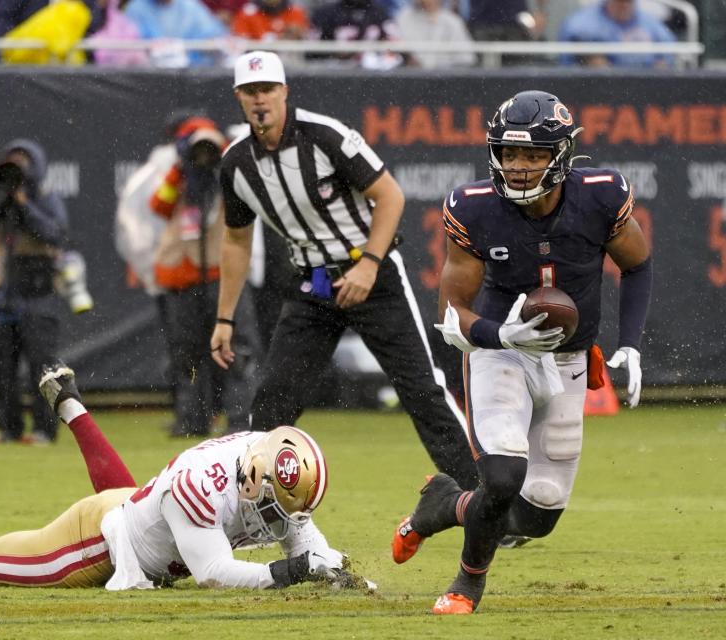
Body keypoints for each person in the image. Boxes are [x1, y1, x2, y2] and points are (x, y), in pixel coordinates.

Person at [390, 90, 652, 614]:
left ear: (562, 154)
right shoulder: (474, 206)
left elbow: (638, 264)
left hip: (568, 359)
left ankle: (444, 505)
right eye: (510, 155)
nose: (519, 167)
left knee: (541, 512)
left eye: (533, 155)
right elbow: (451, 315)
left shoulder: (601, 196)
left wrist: (629, 343)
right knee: (504, 477)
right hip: (499, 353)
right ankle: (467, 584)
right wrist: (501, 335)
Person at [0, 363, 367, 592]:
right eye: (272, 505)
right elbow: (215, 574)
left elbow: (299, 529)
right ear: (251, 477)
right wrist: (297, 570)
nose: (278, 518)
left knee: (136, 501)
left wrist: (331, 566)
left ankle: (70, 405)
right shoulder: (204, 482)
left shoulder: (269, 459)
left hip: (138, 514)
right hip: (93, 540)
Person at [210, 51, 478, 492]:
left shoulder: (325, 135)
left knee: (421, 388)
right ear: (239, 97)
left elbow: (390, 196)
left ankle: (484, 502)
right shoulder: (237, 162)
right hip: (312, 284)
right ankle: (247, 507)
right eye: (250, 92)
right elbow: (236, 239)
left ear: (284, 92)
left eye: (267, 90)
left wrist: (369, 265)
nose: (260, 100)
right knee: (273, 400)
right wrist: (224, 318)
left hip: (370, 275)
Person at [148, 116, 261, 437]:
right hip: (185, 280)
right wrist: (183, 168)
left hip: (224, 277)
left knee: (237, 350)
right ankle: (192, 420)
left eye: (209, 148)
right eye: (197, 148)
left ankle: (240, 421)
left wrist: (221, 159)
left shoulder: (229, 175)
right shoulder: (179, 178)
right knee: (189, 354)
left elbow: (248, 200)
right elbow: (158, 205)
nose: (204, 155)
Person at [0, 139, 69, 445]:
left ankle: (44, 430)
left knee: (43, 370)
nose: (17, 169)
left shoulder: (45, 198)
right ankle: (9, 427)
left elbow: (56, 233)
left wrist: (25, 205)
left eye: (23, 162)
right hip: (3, 297)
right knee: (3, 370)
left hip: (39, 298)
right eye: (11, 162)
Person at [558, 0, 676, 68]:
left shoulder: (648, 21)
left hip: (647, 87)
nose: (624, 5)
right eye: (620, 1)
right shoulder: (584, 22)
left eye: (628, 1)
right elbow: (574, 41)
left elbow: (668, 49)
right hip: (600, 89)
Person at [394, 0, 475, 69]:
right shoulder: (404, 17)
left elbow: (466, 59)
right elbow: (396, 50)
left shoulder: (452, 21)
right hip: (410, 79)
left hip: (446, 80)